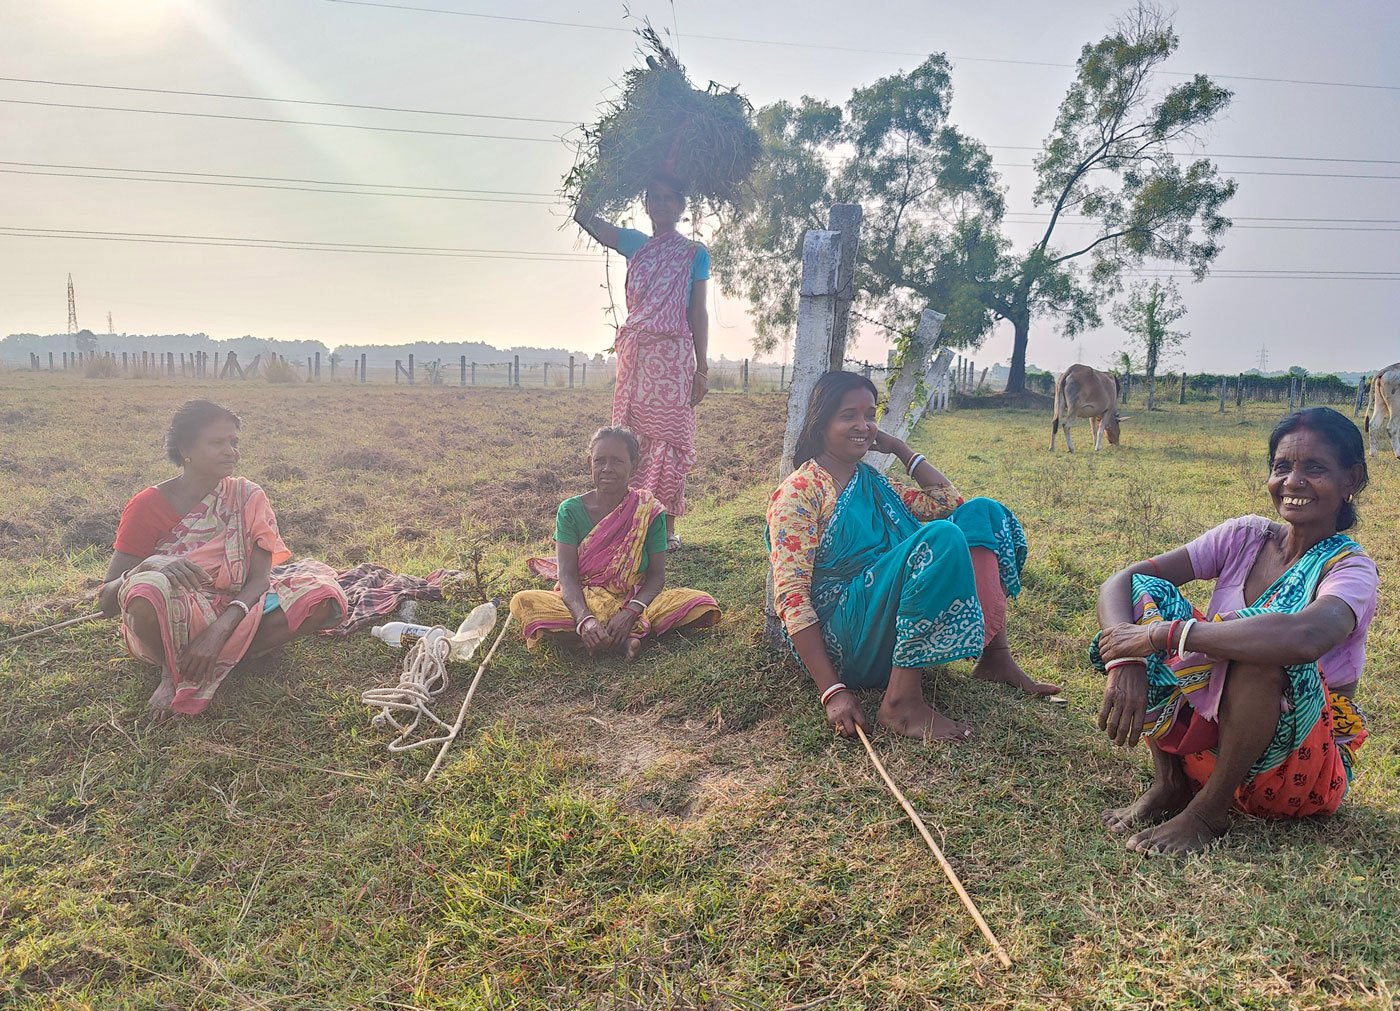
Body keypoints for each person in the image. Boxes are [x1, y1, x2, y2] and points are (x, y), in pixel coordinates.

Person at [1094, 407, 1377, 855]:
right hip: (1210, 742)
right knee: (1150, 595)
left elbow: (1305, 637)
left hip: (1296, 770)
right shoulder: (1245, 536)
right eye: (1282, 467)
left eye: (1315, 468)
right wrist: (1127, 656)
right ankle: (1171, 784)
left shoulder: (1351, 567)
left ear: (1352, 480)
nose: (1294, 482)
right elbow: (1124, 582)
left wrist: (1164, 636)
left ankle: (1210, 811)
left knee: (1259, 646)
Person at [766, 371, 1058, 744]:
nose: (863, 426)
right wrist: (832, 691)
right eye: (848, 416)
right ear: (820, 422)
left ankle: (995, 658)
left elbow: (947, 501)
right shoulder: (801, 492)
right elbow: (791, 596)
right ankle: (901, 703)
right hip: (843, 638)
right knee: (941, 537)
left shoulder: (872, 480)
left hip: (889, 622)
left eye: (870, 415)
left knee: (983, 512)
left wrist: (900, 448)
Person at [97, 400, 347, 718]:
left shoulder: (247, 496)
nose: (231, 452)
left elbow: (259, 580)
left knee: (319, 597)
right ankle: (170, 670)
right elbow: (107, 601)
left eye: (234, 442)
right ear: (185, 447)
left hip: (237, 609)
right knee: (147, 588)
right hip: (172, 616)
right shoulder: (148, 505)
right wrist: (151, 565)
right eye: (218, 443)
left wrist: (217, 632)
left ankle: (214, 653)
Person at [574, 174, 709, 550]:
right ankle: (627, 526)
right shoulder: (635, 244)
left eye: (670, 198)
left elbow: (697, 312)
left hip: (675, 357)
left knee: (671, 440)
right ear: (646, 205)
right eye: (655, 198)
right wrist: (598, 179)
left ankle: (664, 530)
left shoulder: (695, 253)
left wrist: (702, 367)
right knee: (634, 440)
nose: (663, 204)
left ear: (682, 207)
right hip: (637, 359)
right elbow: (585, 218)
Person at [510, 426, 720, 657]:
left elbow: (657, 576)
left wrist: (630, 612)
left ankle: (598, 636)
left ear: (634, 464)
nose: (607, 469)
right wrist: (584, 619)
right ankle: (616, 637)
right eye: (600, 460)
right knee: (524, 601)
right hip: (583, 600)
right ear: (590, 464)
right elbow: (567, 575)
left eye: (617, 461)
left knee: (701, 602)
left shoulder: (648, 512)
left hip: (631, 599)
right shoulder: (569, 511)